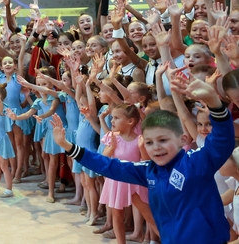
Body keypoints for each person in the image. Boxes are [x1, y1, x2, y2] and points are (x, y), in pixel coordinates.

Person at [50, 74, 233, 244]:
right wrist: (67, 145)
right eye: (149, 142)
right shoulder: (147, 170)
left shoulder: (196, 162)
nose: (156, 147)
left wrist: (214, 102)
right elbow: (107, 165)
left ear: (183, 139)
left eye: (163, 140)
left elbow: (222, 142)